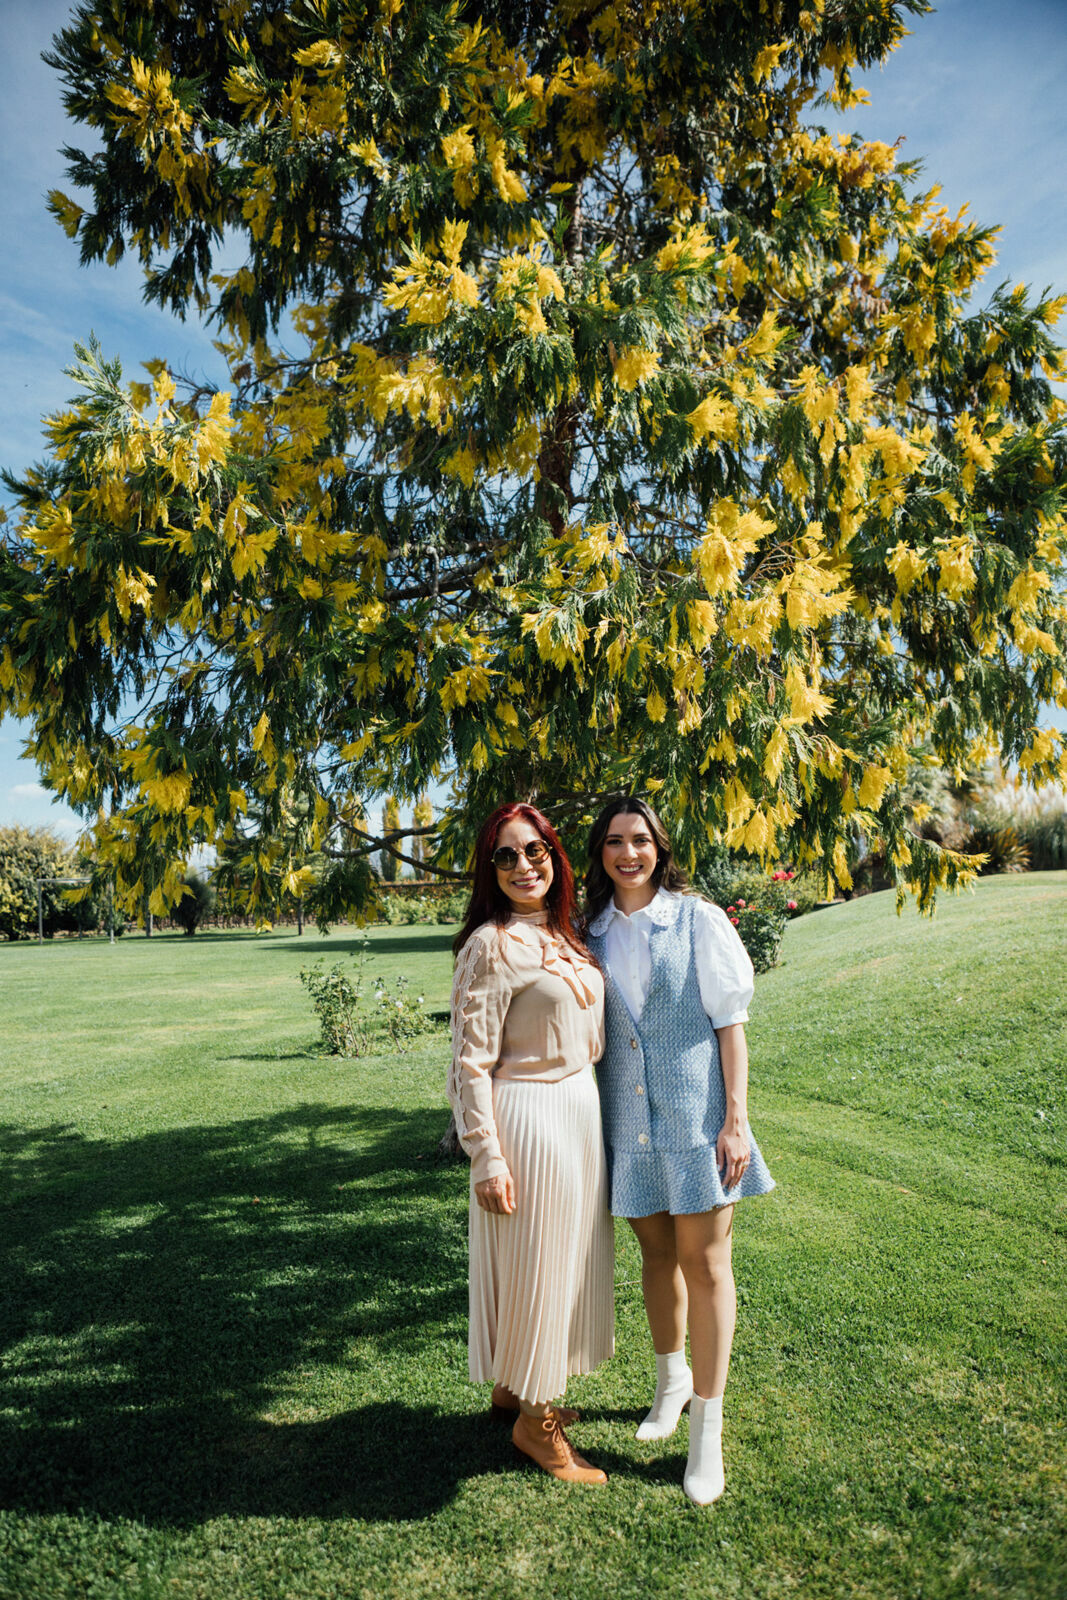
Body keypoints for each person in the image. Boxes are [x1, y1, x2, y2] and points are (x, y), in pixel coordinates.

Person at [584, 797, 775, 1505]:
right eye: (613, 842)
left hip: (697, 1124)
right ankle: (667, 1388)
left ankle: (706, 1430)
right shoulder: (588, 932)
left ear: (659, 848)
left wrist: (735, 1121)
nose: (626, 853)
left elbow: (730, 1025)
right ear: (600, 853)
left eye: (639, 840)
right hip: (625, 1126)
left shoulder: (698, 920)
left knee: (705, 1263)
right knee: (655, 1257)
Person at [448, 801, 614, 1485]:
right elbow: (468, 1062)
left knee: (561, 1261)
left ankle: (514, 1388)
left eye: (535, 850)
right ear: (489, 870)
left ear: (555, 855)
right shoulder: (489, 944)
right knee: (541, 1266)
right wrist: (485, 1153)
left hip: (578, 1113)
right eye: (506, 855)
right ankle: (534, 1425)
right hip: (529, 1118)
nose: (524, 865)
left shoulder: (565, 932)